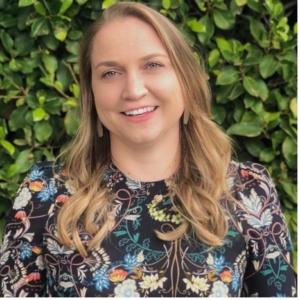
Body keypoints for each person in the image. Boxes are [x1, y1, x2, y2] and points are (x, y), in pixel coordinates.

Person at [0, 2, 296, 297]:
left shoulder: (248, 192)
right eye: (110, 73)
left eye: (152, 65)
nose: (134, 90)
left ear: (185, 79)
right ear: (92, 94)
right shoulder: (45, 194)